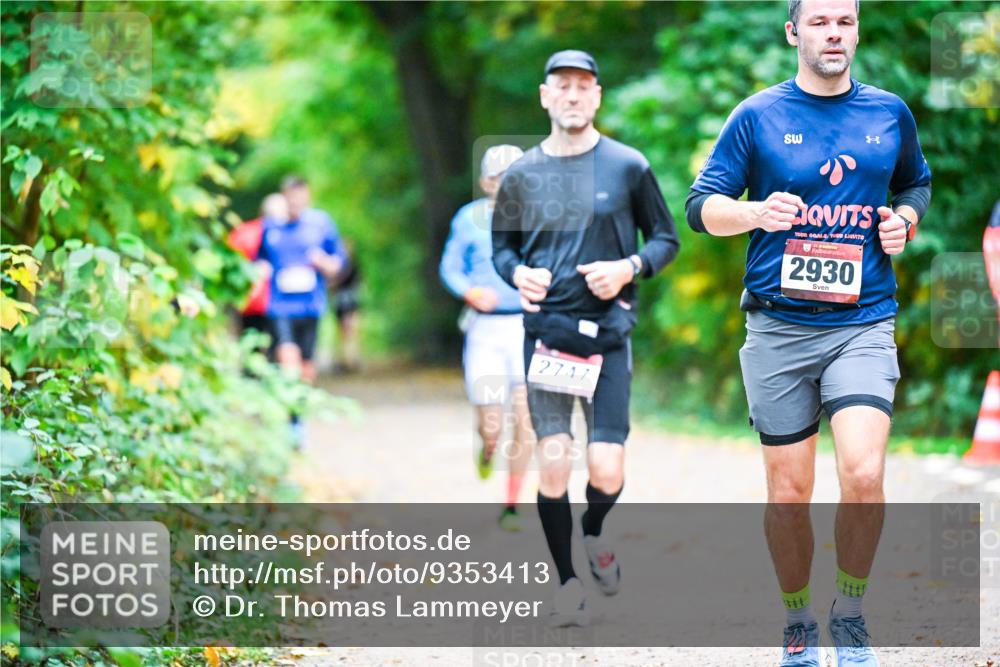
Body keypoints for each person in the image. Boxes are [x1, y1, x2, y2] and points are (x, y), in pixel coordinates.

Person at [685, 1, 931, 665]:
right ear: (794, 32)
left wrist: (902, 222)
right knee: (790, 494)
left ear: (856, 32)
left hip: (863, 322)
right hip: (778, 330)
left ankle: (849, 613)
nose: (833, 33)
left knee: (863, 469)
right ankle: (799, 623)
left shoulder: (889, 113)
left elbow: (916, 182)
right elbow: (700, 208)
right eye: (819, 21)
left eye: (844, 22)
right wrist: (754, 212)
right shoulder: (758, 116)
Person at [492, 50, 680, 626]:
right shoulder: (522, 174)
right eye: (562, 86)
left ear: (597, 97)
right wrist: (516, 274)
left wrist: (629, 267)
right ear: (545, 96)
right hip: (546, 336)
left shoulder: (628, 166)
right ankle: (568, 582)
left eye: (583, 87)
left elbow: (667, 239)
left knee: (605, 469)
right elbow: (503, 248)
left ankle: (595, 529)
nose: (572, 96)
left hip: (609, 338)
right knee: (553, 461)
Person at [440, 144, 537, 531]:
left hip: (527, 328)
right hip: (485, 328)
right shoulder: (468, 219)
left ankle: (512, 504)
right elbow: (450, 267)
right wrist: (469, 291)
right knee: (493, 424)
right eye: (499, 177)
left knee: (526, 421)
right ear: (485, 182)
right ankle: (487, 446)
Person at [257, 176, 347, 445]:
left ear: (307, 197)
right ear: (284, 197)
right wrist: (260, 270)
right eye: (290, 196)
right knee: (288, 359)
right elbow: (259, 259)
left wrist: (326, 264)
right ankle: (291, 421)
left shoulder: (320, 224)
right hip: (280, 305)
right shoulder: (271, 227)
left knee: (306, 367)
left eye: (300, 196)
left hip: (311, 305)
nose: (295, 201)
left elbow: (339, 261)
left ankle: (299, 416)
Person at [227, 193, 288, 354]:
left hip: (252, 302)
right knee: (275, 351)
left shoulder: (242, 232)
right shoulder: (282, 233)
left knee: (252, 349)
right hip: (271, 302)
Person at [330, 240, 363, 374]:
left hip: (347, 301)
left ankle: (349, 359)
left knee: (349, 332)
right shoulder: (346, 265)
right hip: (346, 301)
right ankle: (348, 360)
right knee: (348, 332)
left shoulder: (345, 266)